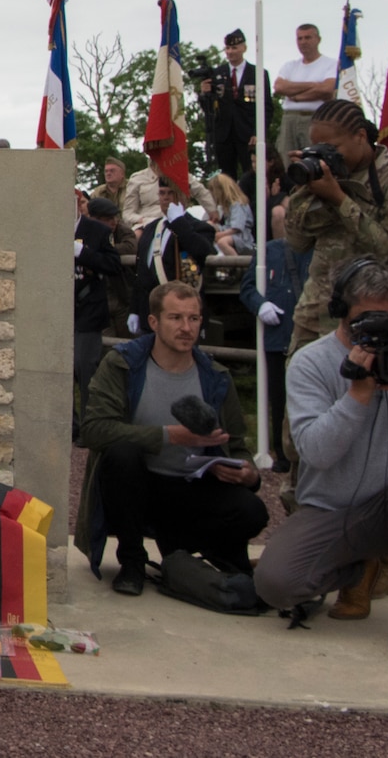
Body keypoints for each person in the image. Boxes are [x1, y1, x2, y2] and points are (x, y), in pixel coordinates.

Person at [253, 260, 388, 660]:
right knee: (275, 585)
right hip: (332, 510)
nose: (381, 329)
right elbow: (315, 452)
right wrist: (356, 395)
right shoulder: (311, 362)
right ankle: (360, 570)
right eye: (367, 319)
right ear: (340, 312)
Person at [75, 282, 268, 594]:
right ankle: (132, 562)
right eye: (176, 318)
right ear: (154, 322)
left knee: (253, 511)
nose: (186, 327)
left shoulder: (215, 377)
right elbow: (95, 430)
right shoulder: (123, 364)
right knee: (122, 455)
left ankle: (195, 558)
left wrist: (246, 472)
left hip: (191, 487)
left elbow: (237, 445)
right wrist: (168, 436)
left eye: (193, 319)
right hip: (139, 487)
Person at [283, 99, 388, 351]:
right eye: (318, 147)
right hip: (318, 309)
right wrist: (303, 190)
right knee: (306, 385)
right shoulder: (323, 177)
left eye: (333, 147)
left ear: (360, 136)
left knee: (378, 388)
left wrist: (339, 198)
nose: (327, 154)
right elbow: (297, 243)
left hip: (379, 314)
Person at [240, 201, 309, 472]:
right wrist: (260, 304)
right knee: (279, 397)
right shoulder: (269, 251)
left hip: (308, 337)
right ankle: (281, 453)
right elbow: (247, 288)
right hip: (278, 337)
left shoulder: (321, 251)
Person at [130, 177, 219, 333]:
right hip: (150, 312)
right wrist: (135, 309)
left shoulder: (199, 227)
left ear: (184, 196)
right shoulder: (151, 228)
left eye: (171, 193)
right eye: (162, 193)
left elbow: (202, 251)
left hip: (180, 314)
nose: (165, 197)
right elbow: (141, 272)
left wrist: (178, 221)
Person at [74, 197, 126, 440]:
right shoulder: (47, 226)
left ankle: (89, 426)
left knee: (86, 369)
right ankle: (70, 426)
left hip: (88, 308)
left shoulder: (98, 230)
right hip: (57, 310)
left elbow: (113, 265)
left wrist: (83, 253)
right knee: (62, 370)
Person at [196, 29, 271, 175]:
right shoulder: (217, 73)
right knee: (226, 176)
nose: (230, 52)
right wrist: (204, 94)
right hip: (224, 134)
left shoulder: (257, 73)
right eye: (228, 48)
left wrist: (259, 133)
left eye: (234, 48)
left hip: (248, 134)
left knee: (251, 174)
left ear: (244, 48)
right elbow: (209, 109)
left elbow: (266, 107)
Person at [275, 23, 337, 158]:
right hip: (289, 119)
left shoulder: (330, 64)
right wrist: (313, 85)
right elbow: (279, 87)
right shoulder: (290, 66)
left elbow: (327, 89)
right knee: (286, 159)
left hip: (315, 118)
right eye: (300, 38)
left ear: (318, 39)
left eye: (308, 38)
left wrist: (296, 96)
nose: (303, 42)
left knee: (314, 159)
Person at [206, 172, 255, 255]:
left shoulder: (238, 204)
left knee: (222, 242)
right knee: (208, 225)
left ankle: (237, 265)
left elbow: (236, 228)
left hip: (242, 238)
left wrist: (220, 234)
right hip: (232, 235)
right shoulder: (227, 207)